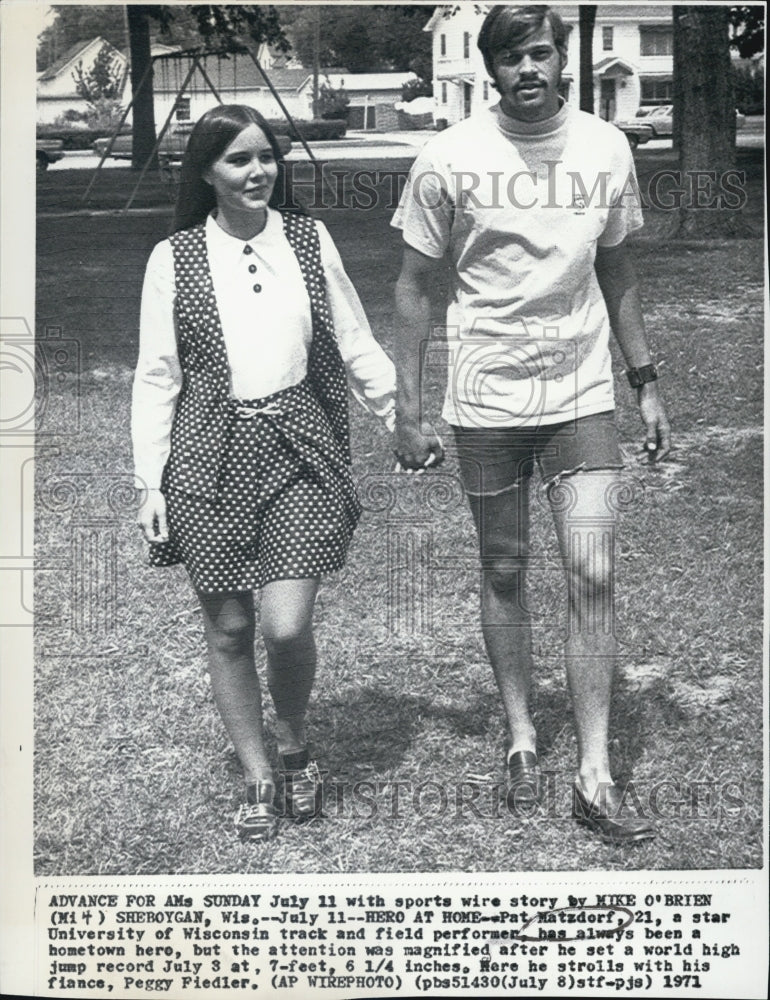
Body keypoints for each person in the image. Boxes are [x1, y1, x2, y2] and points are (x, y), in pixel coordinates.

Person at [392, 5, 670, 844]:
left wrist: (645, 379)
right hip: (485, 404)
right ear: (491, 69)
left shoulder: (605, 148)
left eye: (541, 53)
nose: (529, 70)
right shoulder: (448, 158)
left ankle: (595, 770)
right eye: (511, 57)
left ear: (562, 59)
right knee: (505, 566)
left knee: (591, 571)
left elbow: (616, 263)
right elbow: (413, 285)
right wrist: (408, 404)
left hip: (582, 397)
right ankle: (519, 733)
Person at [133, 105, 395, 842]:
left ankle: (294, 742)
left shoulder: (309, 240)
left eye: (266, 158)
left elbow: (354, 337)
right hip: (207, 458)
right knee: (230, 628)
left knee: (284, 625)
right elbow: (156, 376)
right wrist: (149, 482)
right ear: (207, 173)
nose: (257, 172)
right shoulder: (173, 257)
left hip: (299, 447)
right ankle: (256, 775)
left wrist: (397, 415)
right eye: (239, 161)